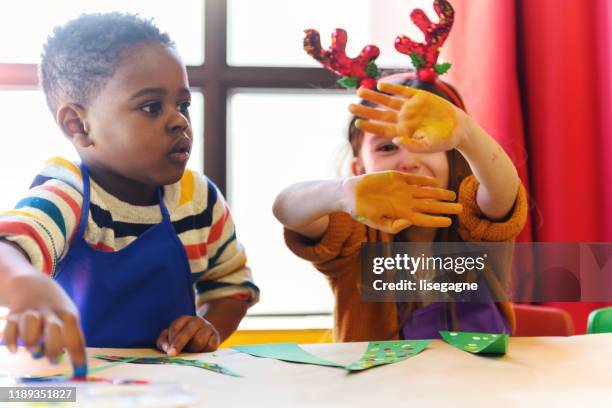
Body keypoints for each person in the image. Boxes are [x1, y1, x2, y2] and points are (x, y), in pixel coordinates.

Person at [0, 13, 258, 374]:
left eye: (183, 105)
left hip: (171, 389)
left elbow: (232, 288)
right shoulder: (68, 195)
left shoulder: (199, 200)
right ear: (78, 125)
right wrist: (25, 284)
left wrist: (206, 328)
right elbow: (8, 247)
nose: (179, 121)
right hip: (69, 386)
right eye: (152, 107)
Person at [272, 71, 527, 342]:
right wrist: (343, 193)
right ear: (359, 169)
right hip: (380, 385)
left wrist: (466, 133)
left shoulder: (472, 216)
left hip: (480, 382)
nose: (408, 161)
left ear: (451, 155)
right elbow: (285, 208)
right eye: (386, 148)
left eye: (424, 142)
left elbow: (503, 194)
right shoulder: (356, 233)